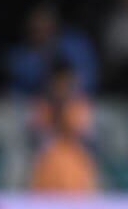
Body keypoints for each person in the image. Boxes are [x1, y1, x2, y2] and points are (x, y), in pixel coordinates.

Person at [28, 61, 98, 194]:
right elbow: (34, 141)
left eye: (65, 83)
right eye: (58, 83)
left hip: (75, 170)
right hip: (46, 170)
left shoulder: (80, 106)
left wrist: (64, 119)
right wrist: (55, 116)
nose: (61, 88)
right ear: (51, 83)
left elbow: (88, 140)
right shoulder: (41, 107)